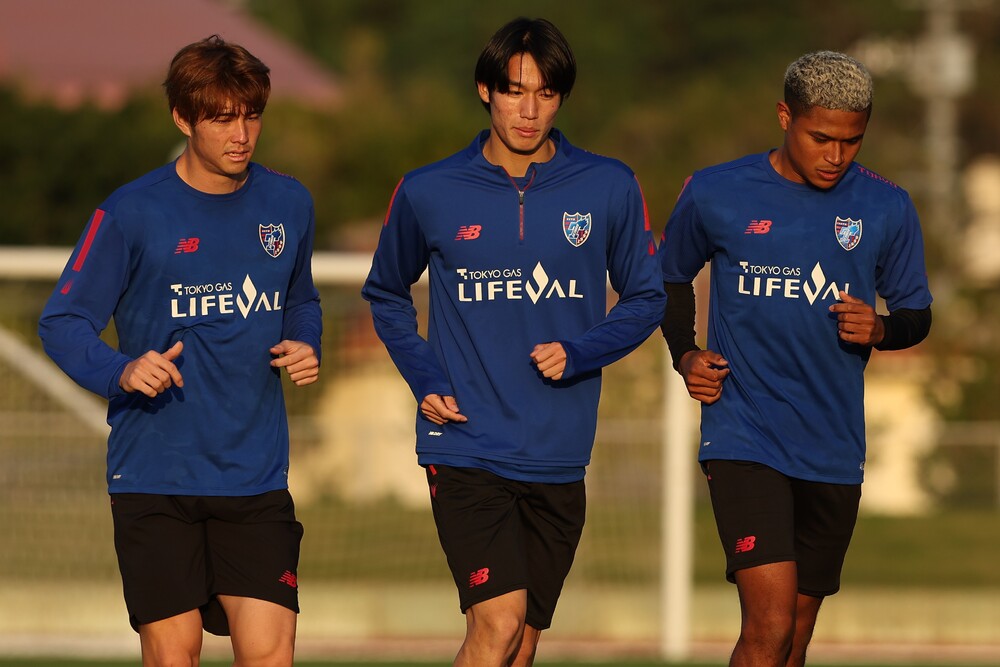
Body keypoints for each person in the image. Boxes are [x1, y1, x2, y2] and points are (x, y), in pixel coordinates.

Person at [362, 17, 664, 667]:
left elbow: (646, 297)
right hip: (465, 441)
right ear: (485, 90)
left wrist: (581, 351)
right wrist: (425, 376)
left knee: (520, 642)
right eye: (515, 90)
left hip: (559, 452)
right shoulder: (428, 189)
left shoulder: (608, 185)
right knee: (498, 624)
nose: (529, 111)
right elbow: (386, 293)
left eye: (546, 94)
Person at [38, 35, 321, 666]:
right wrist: (122, 369)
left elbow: (301, 298)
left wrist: (306, 340)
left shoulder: (289, 202)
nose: (241, 135)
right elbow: (62, 321)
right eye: (222, 118)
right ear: (182, 118)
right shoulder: (131, 212)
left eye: (251, 115)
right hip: (155, 475)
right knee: (174, 656)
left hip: (254, 475)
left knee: (271, 655)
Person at [658, 51, 932, 666]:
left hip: (833, 443)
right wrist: (685, 353)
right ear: (785, 117)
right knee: (770, 622)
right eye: (821, 138)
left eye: (851, 141)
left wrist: (880, 329)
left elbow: (916, 313)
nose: (836, 156)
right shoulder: (716, 191)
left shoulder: (887, 207)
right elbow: (670, 278)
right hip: (744, 434)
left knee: (796, 635)